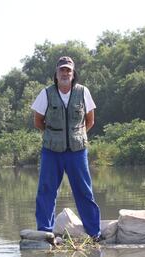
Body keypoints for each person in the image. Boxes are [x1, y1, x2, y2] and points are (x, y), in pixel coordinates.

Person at [31, 56, 101, 240]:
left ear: (73, 73)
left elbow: (90, 120)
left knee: (84, 190)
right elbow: (38, 121)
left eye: (68, 70)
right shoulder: (46, 94)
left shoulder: (83, 92)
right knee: (46, 190)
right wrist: (55, 136)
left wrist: (76, 135)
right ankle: (45, 231)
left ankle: (94, 232)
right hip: (51, 151)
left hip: (77, 152)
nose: (65, 73)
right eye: (62, 70)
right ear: (56, 73)